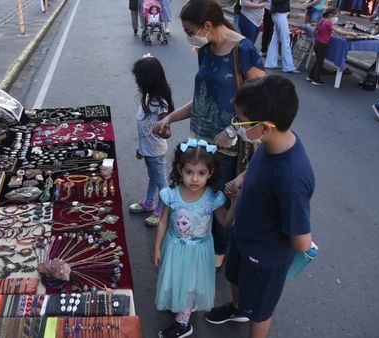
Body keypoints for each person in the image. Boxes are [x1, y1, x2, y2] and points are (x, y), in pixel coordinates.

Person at [153, 0, 265, 273]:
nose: (188, 34)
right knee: (199, 198)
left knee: (220, 202)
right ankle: (197, 244)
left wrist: (231, 129)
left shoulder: (244, 51)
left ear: (206, 25)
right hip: (200, 144)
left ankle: (218, 255)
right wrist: (169, 117)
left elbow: (263, 103)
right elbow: (202, 100)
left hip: (228, 149)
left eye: (189, 29)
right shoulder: (205, 49)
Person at [206, 75, 314, 338]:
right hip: (244, 237)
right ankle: (238, 308)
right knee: (235, 278)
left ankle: (251, 318)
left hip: (264, 256)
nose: (237, 127)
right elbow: (257, 166)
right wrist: (242, 180)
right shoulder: (272, 141)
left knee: (261, 310)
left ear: (265, 127)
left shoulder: (291, 177)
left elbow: (302, 242)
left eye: (240, 122)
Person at [153, 139, 237, 338]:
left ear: (211, 173)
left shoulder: (211, 198)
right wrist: (157, 247)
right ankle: (179, 305)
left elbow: (225, 223)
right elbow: (163, 221)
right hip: (174, 247)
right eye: (189, 172)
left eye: (201, 173)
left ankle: (183, 324)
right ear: (180, 170)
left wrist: (235, 203)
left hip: (199, 251)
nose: (194, 179)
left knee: (190, 283)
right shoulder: (171, 195)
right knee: (176, 278)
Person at [129, 54, 174, 227]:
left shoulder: (160, 103)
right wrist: (140, 148)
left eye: (139, 79)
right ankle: (149, 202)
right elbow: (143, 128)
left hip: (155, 150)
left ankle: (163, 208)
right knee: (152, 176)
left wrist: (161, 130)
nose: (137, 82)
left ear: (148, 80)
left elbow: (167, 133)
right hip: (147, 149)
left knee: (160, 180)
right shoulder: (148, 98)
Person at [307, 7, 358, 86]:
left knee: (318, 61)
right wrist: (352, 33)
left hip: (317, 43)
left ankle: (311, 76)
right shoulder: (328, 23)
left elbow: (314, 31)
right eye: (336, 16)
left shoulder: (322, 20)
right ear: (331, 15)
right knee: (320, 62)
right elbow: (339, 32)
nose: (337, 18)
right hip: (322, 44)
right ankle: (316, 79)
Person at [264, 0, 300, 73]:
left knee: (275, 39)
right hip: (279, 13)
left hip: (279, 13)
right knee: (285, 40)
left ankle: (271, 63)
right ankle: (288, 67)